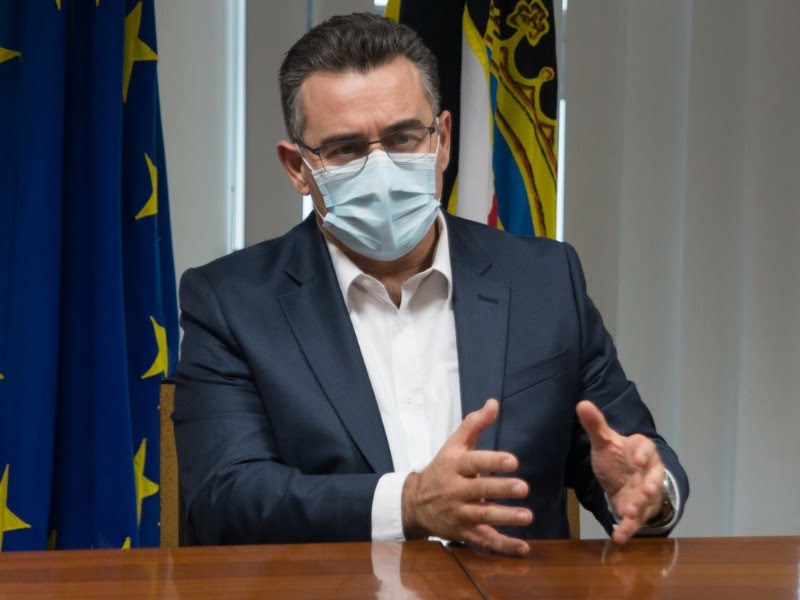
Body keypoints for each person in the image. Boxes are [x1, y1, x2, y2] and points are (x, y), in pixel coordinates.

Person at [173, 12, 688, 556]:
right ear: (297, 167)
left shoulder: (544, 281)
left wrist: (648, 496)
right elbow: (225, 498)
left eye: (403, 138)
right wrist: (409, 504)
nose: (381, 170)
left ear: (442, 140)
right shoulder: (231, 303)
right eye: (346, 149)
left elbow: (628, 454)